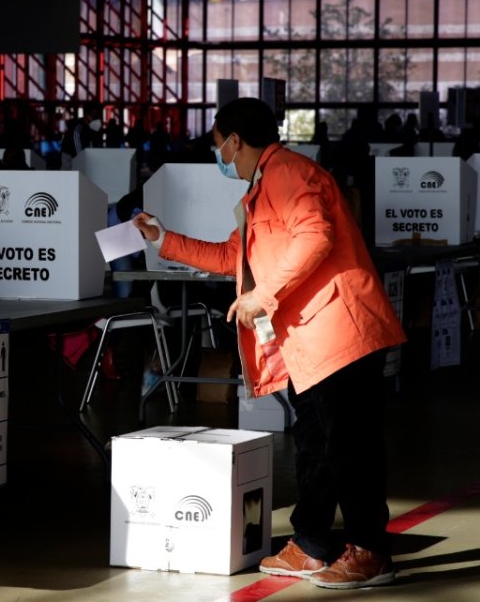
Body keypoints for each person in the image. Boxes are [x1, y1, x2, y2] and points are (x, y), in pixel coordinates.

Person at [132, 97, 406, 590]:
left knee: (350, 448)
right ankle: (314, 543)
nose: (218, 156)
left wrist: (264, 294)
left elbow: (315, 236)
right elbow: (232, 257)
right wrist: (163, 239)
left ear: (235, 141)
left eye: (218, 145)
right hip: (312, 340)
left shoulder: (287, 175)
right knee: (316, 444)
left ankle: (371, 550)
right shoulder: (264, 187)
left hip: (340, 332)